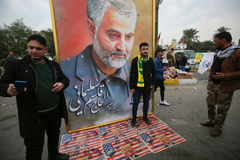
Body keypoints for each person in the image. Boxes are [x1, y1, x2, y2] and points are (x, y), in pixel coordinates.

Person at [60, 0, 137, 128]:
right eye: (113, 35)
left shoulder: (133, 73)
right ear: (92, 29)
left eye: (128, 37)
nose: (123, 47)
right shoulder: (65, 72)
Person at [0, 34, 70, 160]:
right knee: (34, 148)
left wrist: (62, 84)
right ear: (27, 47)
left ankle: (54, 156)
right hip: (33, 115)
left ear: (45, 50)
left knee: (54, 136)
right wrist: (7, 89)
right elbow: (2, 84)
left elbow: (65, 79)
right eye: (31, 47)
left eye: (38, 48)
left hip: (54, 111)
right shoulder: (17, 66)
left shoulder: (53, 65)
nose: (34, 51)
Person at [201, 32, 240, 137]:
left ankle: (218, 127)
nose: (214, 43)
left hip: (225, 86)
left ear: (223, 40)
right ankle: (211, 120)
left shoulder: (237, 52)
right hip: (213, 84)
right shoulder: (218, 52)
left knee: (222, 108)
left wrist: (225, 76)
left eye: (216, 40)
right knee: (210, 104)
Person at [129, 42, 156, 127]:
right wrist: (131, 86)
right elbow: (132, 74)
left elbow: (154, 73)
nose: (145, 51)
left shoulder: (150, 60)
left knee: (146, 102)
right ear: (140, 50)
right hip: (137, 86)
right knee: (136, 102)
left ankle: (145, 117)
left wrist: (152, 83)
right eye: (143, 49)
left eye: (146, 49)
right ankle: (134, 119)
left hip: (147, 86)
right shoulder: (135, 60)